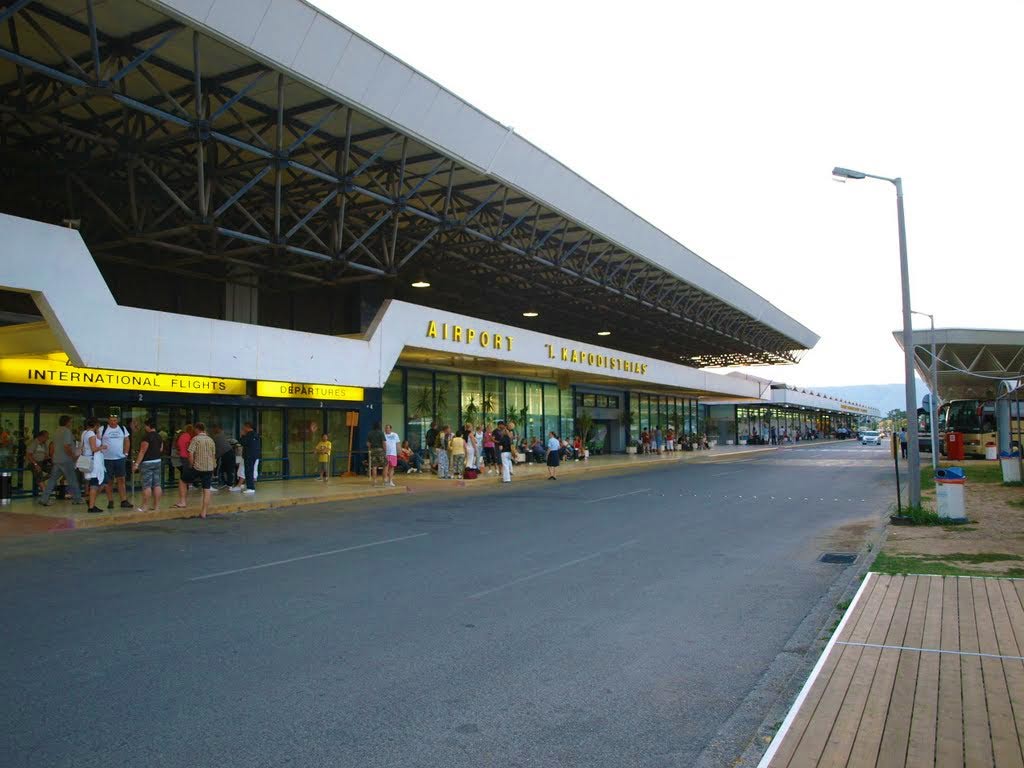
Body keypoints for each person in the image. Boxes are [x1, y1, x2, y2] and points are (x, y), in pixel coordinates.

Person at [39, 415, 82, 506]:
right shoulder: (66, 431)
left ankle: (44, 499)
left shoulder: (57, 431)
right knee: (72, 479)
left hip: (57, 459)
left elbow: (55, 445)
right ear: (66, 422)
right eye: (70, 422)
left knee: (52, 480)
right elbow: (66, 446)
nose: (71, 424)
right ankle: (77, 498)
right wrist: (73, 456)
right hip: (66, 460)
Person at [100, 413, 132, 510]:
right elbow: (97, 441)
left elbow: (127, 441)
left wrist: (126, 453)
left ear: (117, 420)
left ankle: (124, 500)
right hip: (107, 459)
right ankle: (110, 500)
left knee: (121, 479)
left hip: (119, 459)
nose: (113, 422)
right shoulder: (103, 429)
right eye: (111, 420)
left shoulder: (122, 429)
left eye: (115, 420)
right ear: (108, 421)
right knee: (109, 481)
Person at [131, 418, 163, 512]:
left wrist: (136, 464)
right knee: (157, 484)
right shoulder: (159, 436)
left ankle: (145, 506)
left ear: (148, 426)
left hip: (147, 462)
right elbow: (161, 449)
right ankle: (156, 506)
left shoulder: (147, 437)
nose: (145, 428)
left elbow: (142, 451)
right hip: (157, 461)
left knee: (147, 485)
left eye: (145, 426)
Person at [188, 422, 217, 519]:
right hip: (209, 468)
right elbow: (213, 455)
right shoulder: (211, 440)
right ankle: (204, 512)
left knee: (183, 481)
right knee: (207, 489)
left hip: (198, 467)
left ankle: (182, 501)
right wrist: (213, 467)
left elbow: (190, 453)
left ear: (197, 429)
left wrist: (191, 465)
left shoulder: (195, 439)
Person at [80, 417, 106, 514]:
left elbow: (82, 447)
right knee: (95, 483)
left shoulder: (84, 433)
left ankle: (91, 502)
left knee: (93, 482)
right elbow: (94, 449)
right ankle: (91, 506)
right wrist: (103, 447)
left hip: (86, 459)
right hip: (93, 461)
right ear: (95, 425)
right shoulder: (91, 434)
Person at [173, 424, 194, 508]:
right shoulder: (188, 437)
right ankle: (183, 499)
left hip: (182, 457)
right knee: (184, 479)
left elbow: (177, 446)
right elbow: (190, 449)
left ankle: (183, 499)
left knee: (183, 477)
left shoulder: (181, 436)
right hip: (187, 458)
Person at [25, 430, 52, 496]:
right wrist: (35, 464)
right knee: (38, 472)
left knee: (55, 470)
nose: (47, 439)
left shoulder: (44, 444)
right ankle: (45, 497)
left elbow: (46, 456)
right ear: (41, 436)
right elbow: (28, 455)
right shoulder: (34, 443)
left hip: (41, 463)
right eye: (46, 437)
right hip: (32, 463)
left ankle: (40, 480)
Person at [237, 422, 260, 494]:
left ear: (247, 427)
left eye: (244, 427)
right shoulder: (255, 434)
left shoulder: (249, 435)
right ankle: (250, 487)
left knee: (248, 472)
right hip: (253, 455)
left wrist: (242, 435)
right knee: (250, 471)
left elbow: (242, 442)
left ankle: (250, 488)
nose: (243, 428)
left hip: (249, 456)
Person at [211, 424, 235, 489]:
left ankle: (228, 484)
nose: (213, 430)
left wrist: (214, 457)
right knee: (224, 469)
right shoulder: (220, 435)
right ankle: (227, 483)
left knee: (226, 469)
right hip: (227, 453)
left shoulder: (216, 437)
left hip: (227, 454)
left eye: (214, 429)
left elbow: (216, 449)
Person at [366, 421, 385, 486]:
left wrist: (370, 450)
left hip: (373, 450)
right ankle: (384, 480)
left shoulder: (370, 433)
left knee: (374, 466)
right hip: (380, 450)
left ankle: (374, 481)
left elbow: (368, 444)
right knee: (385, 465)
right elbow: (384, 443)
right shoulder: (381, 433)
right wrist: (385, 450)